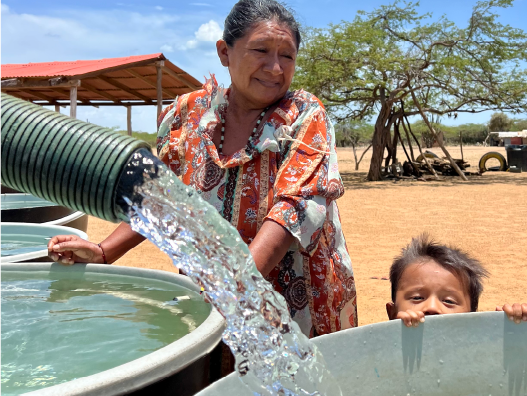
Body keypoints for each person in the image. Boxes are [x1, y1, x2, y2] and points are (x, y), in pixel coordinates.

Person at [48, 0, 357, 339]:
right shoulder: (187, 115)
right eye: (261, 50)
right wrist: (104, 252)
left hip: (294, 304)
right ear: (225, 52)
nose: (275, 68)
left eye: (287, 56)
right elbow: (161, 198)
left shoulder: (303, 115)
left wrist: (232, 286)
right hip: (210, 297)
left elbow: (292, 210)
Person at [385, 234, 527, 327]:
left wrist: (514, 332)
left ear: (472, 316)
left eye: (449, 301)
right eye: (417, 298)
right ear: (392, 313)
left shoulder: (481, 349)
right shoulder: (381, 353)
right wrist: (395, 336)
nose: (432, 308)